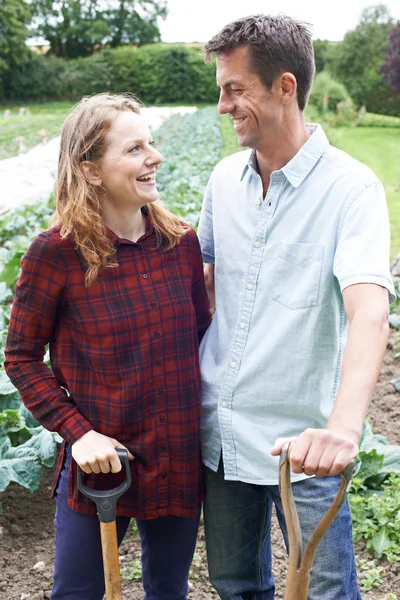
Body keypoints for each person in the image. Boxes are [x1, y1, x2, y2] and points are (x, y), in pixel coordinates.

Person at [197, 14, 394, 600]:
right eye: (220, 90)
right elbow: (202, 289)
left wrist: (342, 428)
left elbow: (369, 311)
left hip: (304, 447)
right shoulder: (222, 181)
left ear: (285, 87)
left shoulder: (351, 189)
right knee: (236, 589)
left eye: (236, 90)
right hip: (222, 435)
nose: (223, 106)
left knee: (330, 592)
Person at [5, 92, 211, 600]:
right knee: (77, 592)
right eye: (134, 149)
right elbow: (21, 357)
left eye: (152, 144)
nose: (154, 157)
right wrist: (78, 434)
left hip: (176, 456)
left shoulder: (180, 243)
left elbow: (201, 339)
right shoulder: (56, 253)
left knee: (168, 590)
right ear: (91, 170)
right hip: (103, 465)